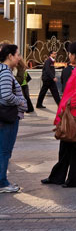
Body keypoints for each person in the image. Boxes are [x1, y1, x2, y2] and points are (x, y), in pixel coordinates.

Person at [42, 41, 76, 188]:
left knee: (74, 147)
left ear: (75, 55)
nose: (68, 56)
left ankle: (75, 179)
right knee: (66, 146)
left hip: (74, 113)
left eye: (70, 53)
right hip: (72, 111)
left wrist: (68, 106)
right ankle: (57, 176)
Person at [0, 44, 27, 193]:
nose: (19, 58)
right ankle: (2, 183)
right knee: (5, 150)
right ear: (10, 56)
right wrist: (20, 101)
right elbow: (5, 95)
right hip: (7, 116)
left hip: (5, 116)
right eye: (17, 55)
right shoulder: (5, 72)